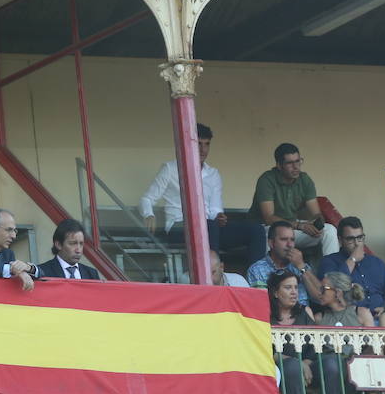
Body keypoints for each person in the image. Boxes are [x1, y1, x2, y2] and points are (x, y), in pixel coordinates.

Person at [139, 123, 267, 266]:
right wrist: (148, 214)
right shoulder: (170, 169)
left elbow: (215, 210)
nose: (203, 149)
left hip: (209, 228)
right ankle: (211, 277)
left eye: (206, 144)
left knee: (256, 230)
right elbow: (147, 198)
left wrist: (219, 217)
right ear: (187, 145)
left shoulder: (213, 174)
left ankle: (257, 282)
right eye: (198, 144)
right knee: (208, 226)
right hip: (179, 228)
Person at [313, 272, 377, 394]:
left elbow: (375, 343)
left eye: (324, 288)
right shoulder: (320, 317)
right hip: (330, 369)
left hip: (357, 367)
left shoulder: (360, 312)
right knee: (332, 365)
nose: (319, 292)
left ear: (338, 292)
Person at [248, 143, 339, 257]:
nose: (296, 167)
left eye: (298, 161)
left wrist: (317, 223)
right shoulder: (267, 180)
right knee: (266, 237)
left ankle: (333, 273)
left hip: (293, 228)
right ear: (279, 165)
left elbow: (315, 212)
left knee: (329, 230)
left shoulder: (304, 179)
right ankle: (266, 274)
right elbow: (269, 218)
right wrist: (300, 225)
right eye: (290, 163)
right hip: (266, 228)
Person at [269, 270, 318, 394]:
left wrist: (306, 363)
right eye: (288, 287)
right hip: (278, 367)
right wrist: (298, 364)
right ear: (276, 292)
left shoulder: (305, 313)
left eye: (296, 287)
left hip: (307, 366)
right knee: (291, 367)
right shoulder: (266, 316)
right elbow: (265, 351)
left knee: (332, 365)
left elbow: (315, 348)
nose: (294, 292)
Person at [317, 216, 385, 315]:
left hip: (381, 319)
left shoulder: (377, 262)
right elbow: (334, 288)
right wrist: (352, 259)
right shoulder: (329, 261)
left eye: (360, 238)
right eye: (350, 239)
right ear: (340, 240)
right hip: (350, 319)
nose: (357, 243)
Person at [247, 222, 321, 304]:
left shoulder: (300, 265)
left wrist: (302, 267)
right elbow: (261, 305)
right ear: (271, 243)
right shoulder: (257, 269)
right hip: (276, 315)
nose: (290, 245)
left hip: (305, 315)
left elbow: (322, 297)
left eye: (292, 240)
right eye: (284, 239)